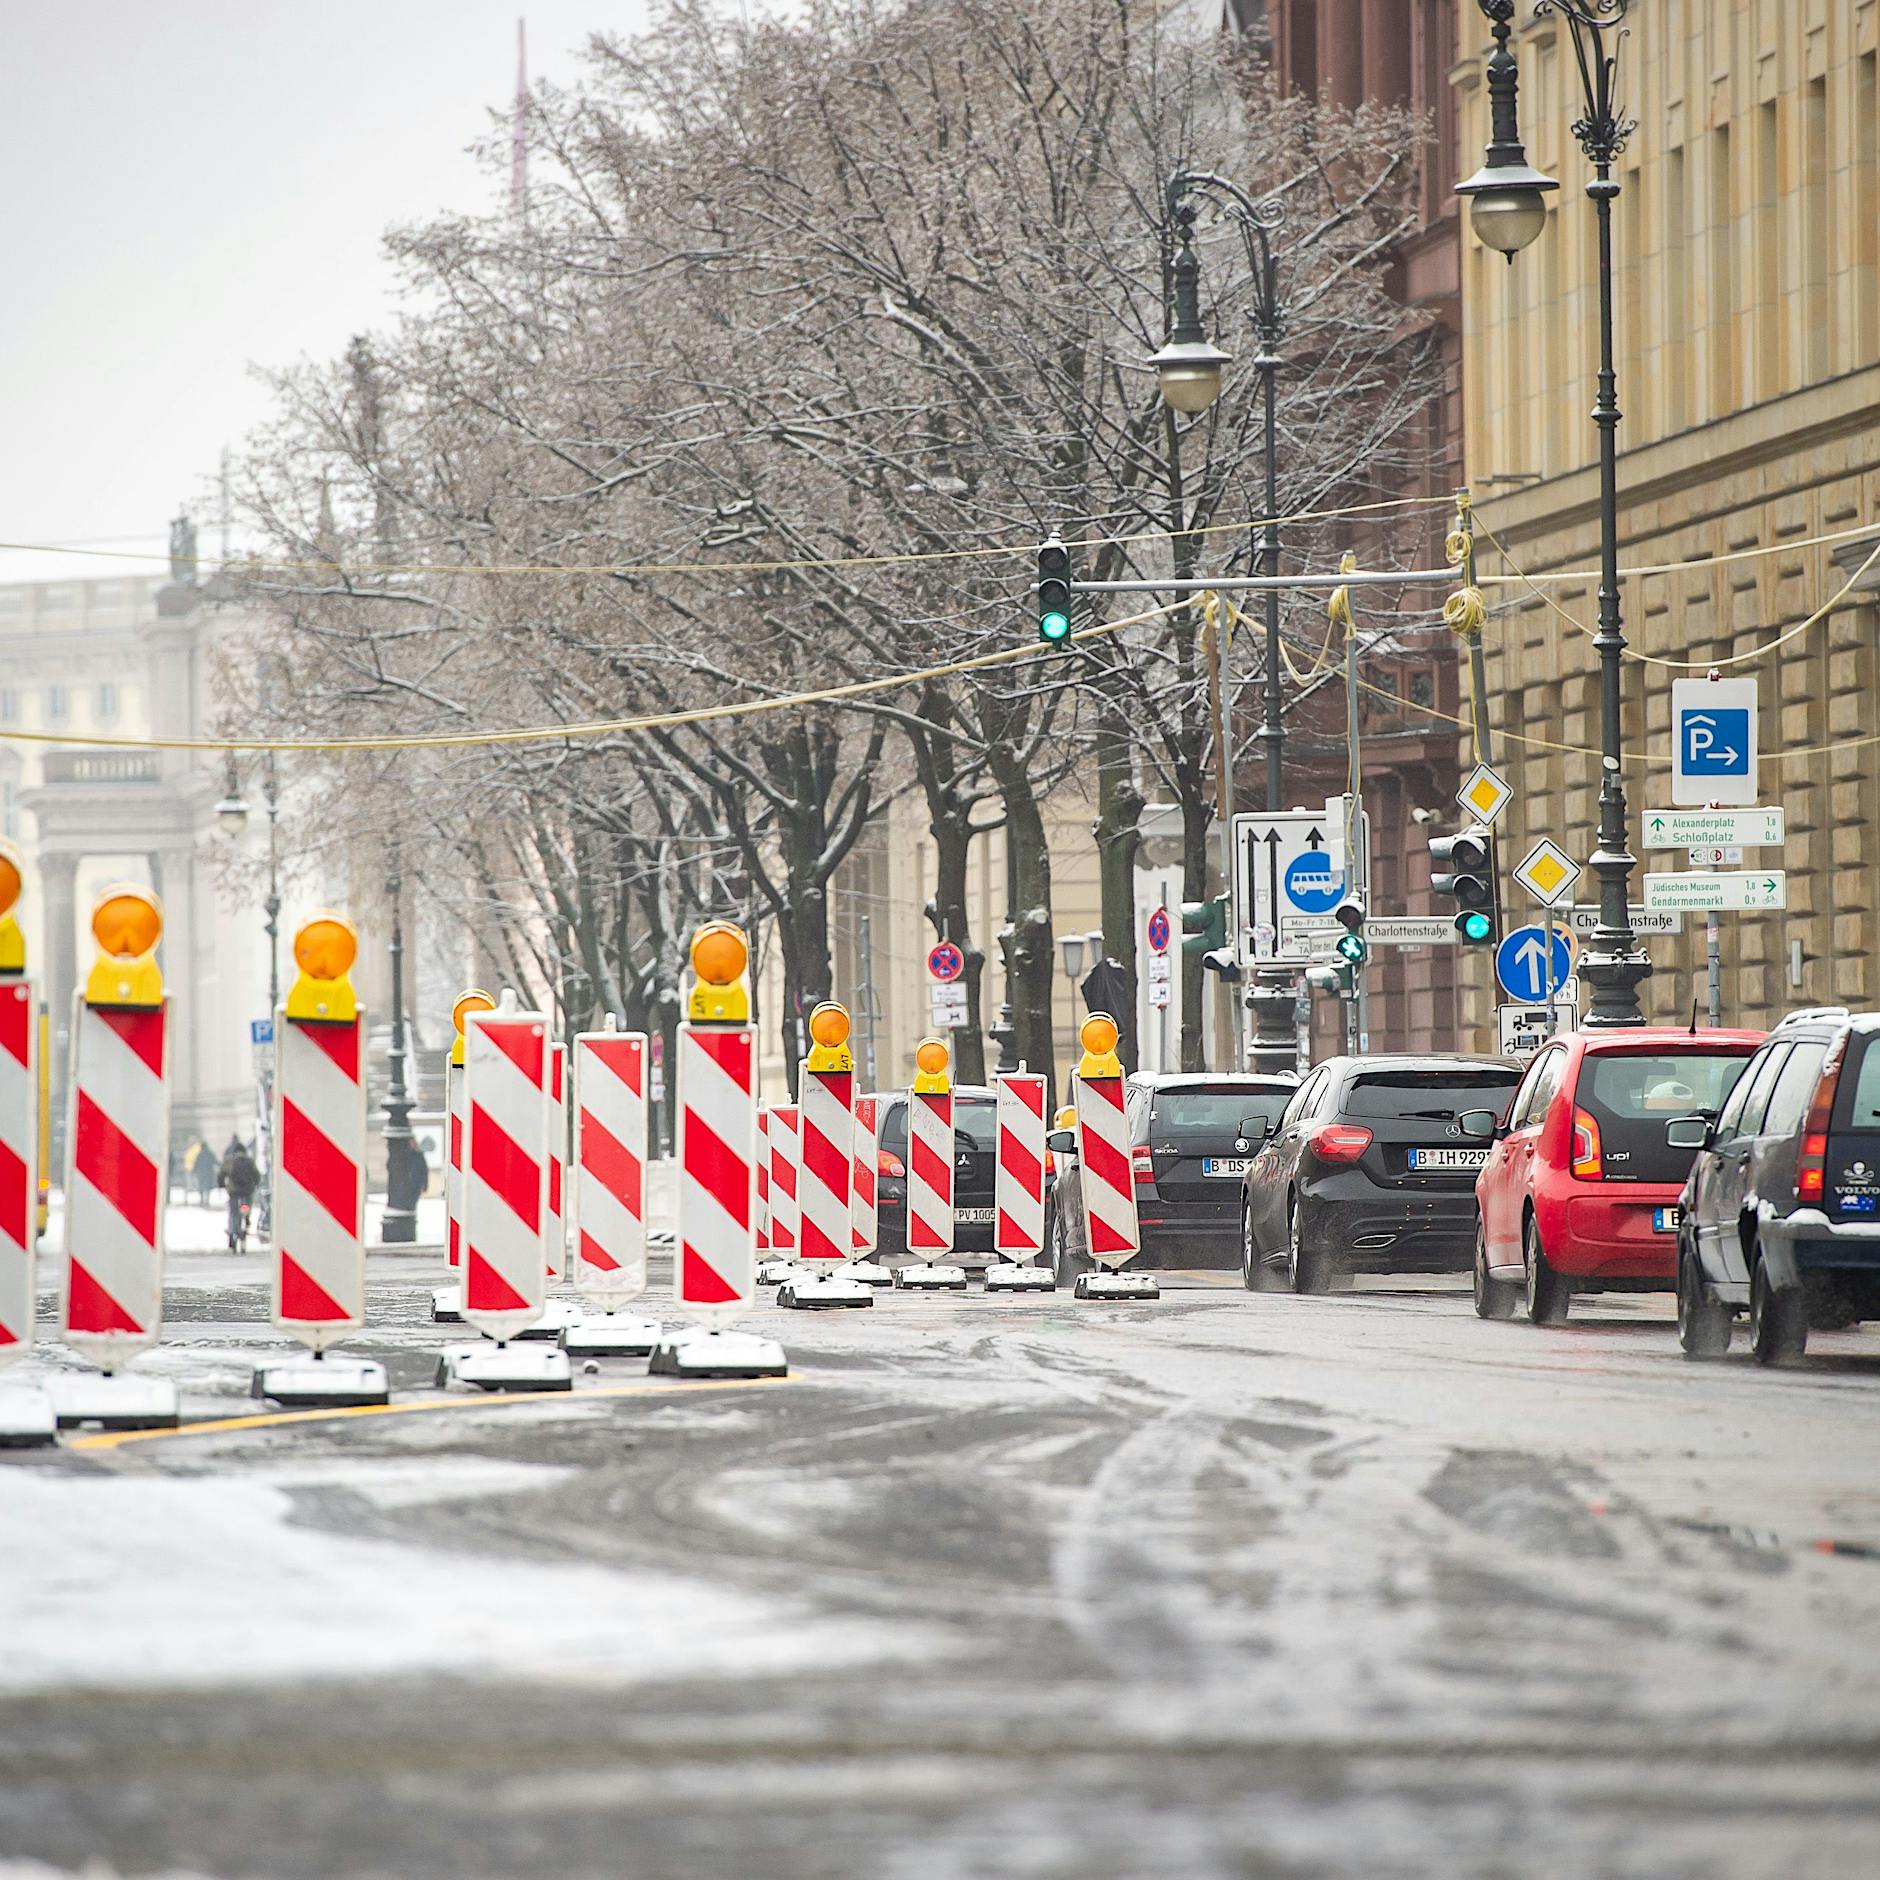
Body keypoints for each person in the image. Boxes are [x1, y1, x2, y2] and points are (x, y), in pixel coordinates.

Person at [219, 1136, 260, 1250]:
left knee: (233, 1212)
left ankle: (232, 1231)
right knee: (245, 1206)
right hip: (247, 1190)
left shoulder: (229, 1160)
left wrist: (222, 1184)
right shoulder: (249, 1160)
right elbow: (256, 1175)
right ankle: (246, 1217)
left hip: (234, 1191)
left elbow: (221, 1174)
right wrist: (256, 1183)